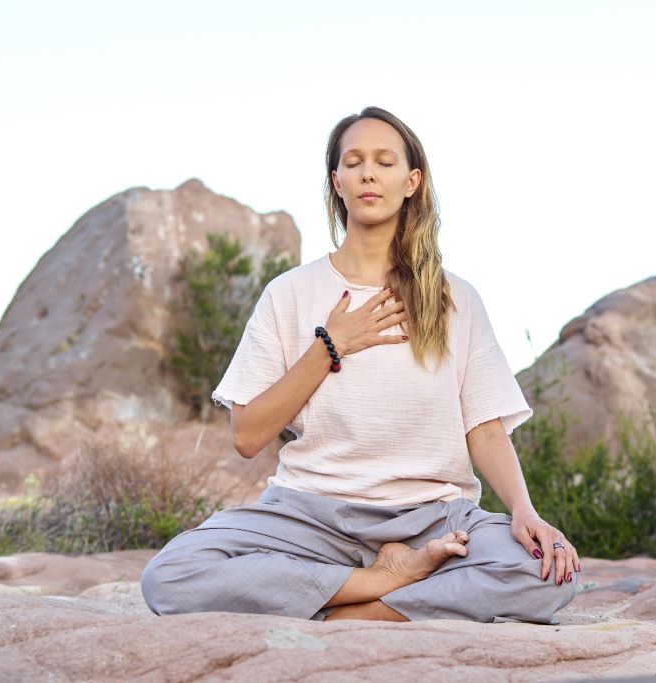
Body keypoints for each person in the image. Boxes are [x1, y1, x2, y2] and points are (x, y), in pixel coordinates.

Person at [141, 106, 581, 623]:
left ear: (412, 181)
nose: (368, 173)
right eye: (353, 162)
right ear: (337, 181)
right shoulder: (289, 294)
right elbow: (247, 434)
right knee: (171, 576)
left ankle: (359, 613)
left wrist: (525, 513)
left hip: (432, 518)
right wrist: (330, 347)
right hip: (307, 514)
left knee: (546, 575)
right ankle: (381, 582)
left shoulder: (455, 299)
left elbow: (483, 429)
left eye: (384, 161)